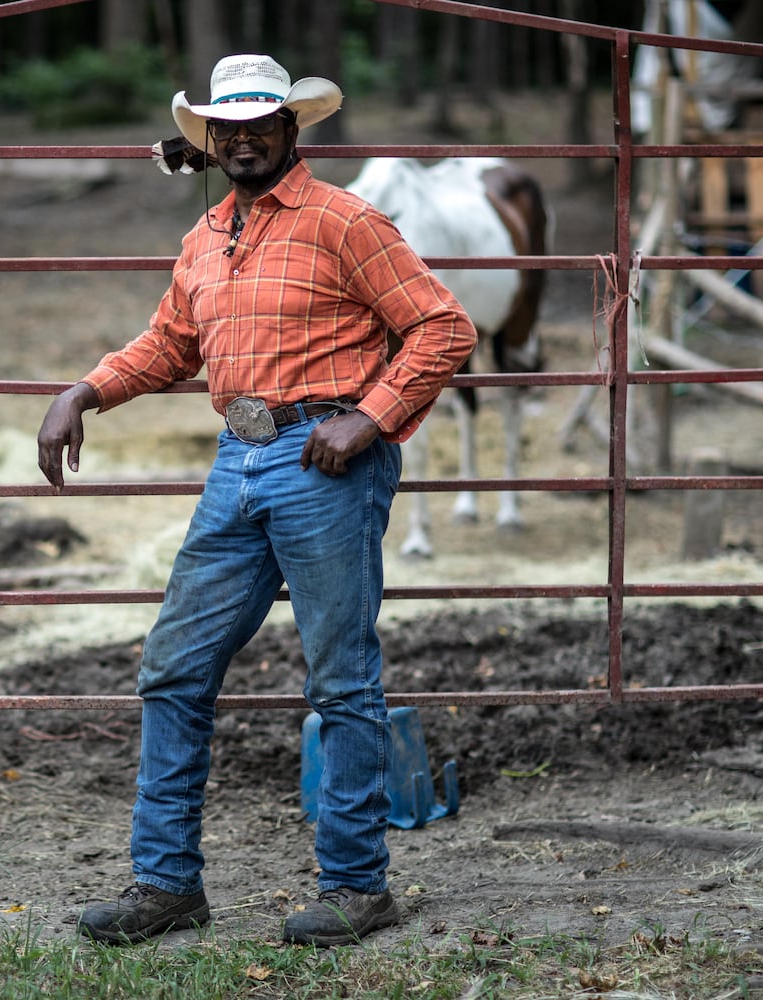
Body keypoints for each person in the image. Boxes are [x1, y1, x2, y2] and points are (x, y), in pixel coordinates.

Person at [36, 54, 478, 947]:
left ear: (289, 129)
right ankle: (167, 885)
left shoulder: (345, 222)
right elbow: (170, 343)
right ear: (210, 138)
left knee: (341, 678)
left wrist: (372, 419)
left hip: (325, 462)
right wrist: (84, 391)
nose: (241, 140)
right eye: (225, 128)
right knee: (174, 667)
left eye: (257, 125)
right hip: (236, 465)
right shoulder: (207, 239)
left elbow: (443, 326)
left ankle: (357, 886)